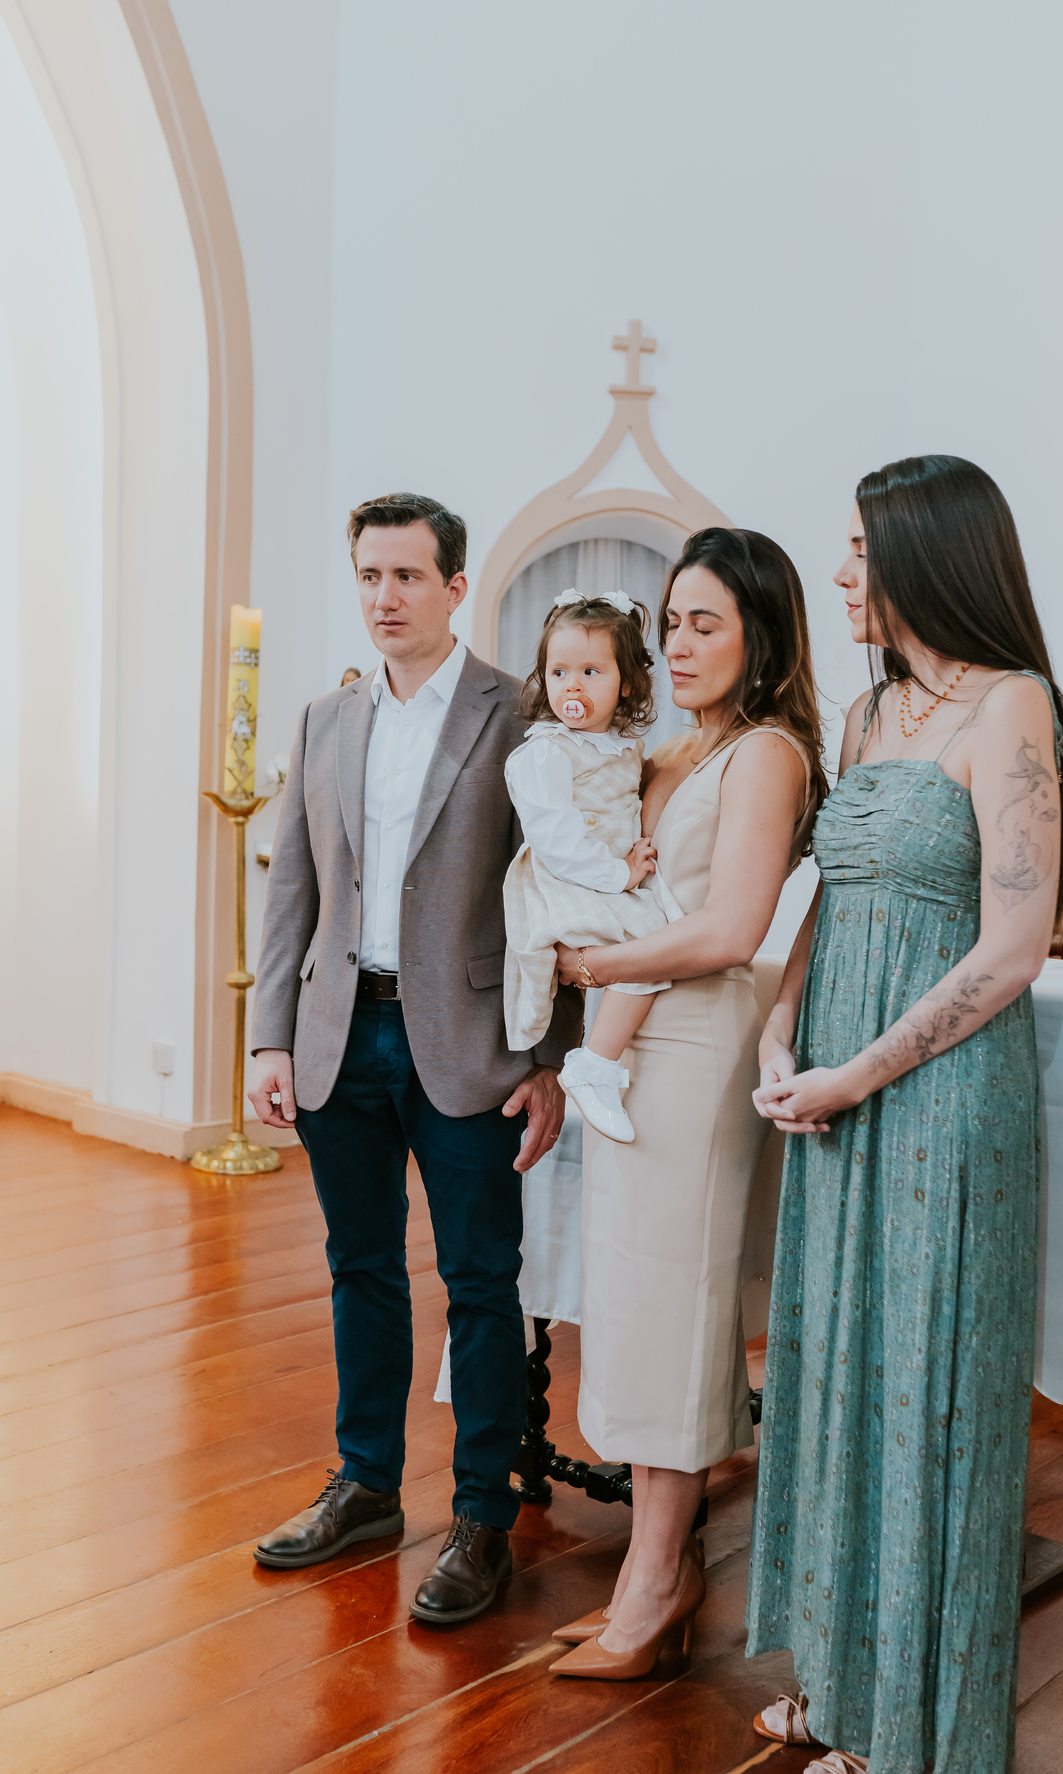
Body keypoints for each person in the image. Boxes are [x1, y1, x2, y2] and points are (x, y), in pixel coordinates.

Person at [746, 455, 1063, 1774]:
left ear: (929, 557)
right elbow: (831, 891)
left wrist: (858, 1073)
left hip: (941, 1094)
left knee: (923, 1385)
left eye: (860, 552)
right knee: (836, 1368)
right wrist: (781, 1027)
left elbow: (1013, 947)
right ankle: (838, 1676)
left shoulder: (1013, 706)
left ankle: (910, 1731)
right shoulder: (870, 712)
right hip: (834, 1074)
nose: (839, 575)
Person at [247, 492, 581, 1627]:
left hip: (472, 1045)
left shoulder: (519, 714)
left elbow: (557, 892)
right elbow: (293, 890)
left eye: (406, 577)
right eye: (368, 576)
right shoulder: (324, 719)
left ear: (454, 587)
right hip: (339, 1038)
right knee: (361, 1267)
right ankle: (367, 1486)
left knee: (482, 1282)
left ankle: (483, 1513)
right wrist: (271, 1035)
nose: (383, 598)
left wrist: (550, 1056)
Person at [544, 527, 827, 1680]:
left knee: (673, 1301)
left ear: (762, 632)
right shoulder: (671, 750)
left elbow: (731, 927)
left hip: (698, 1045)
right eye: (671, 622)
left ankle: (656, 1582)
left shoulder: (765, 754)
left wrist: (595, 966)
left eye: (707, 621)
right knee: (634, 1298)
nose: (681, 642)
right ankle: (659, 1566)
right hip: (636, 1046)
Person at [504, 587, 683, 1141]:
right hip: (571, 880)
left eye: (590, 671)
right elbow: (556, 842)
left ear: (626, 683)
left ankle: (600, 1058)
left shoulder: (624, 746)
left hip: (609, 877)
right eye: (558, 673)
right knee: (651, 948)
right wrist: (620, 874)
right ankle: (596, 1063)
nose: (572, 687)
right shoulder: (545, 751)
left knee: (662, 940)